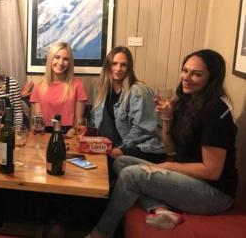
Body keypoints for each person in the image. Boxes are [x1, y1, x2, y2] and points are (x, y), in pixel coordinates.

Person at [87, 49, 238, 238]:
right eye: (185, 70)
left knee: (131, 175)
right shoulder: (187, 100)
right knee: (121, 162)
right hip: (187, 178)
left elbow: (212, 171)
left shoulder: (216, 111)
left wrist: (169, 166)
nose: (187, 77)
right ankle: (162, 209)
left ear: (212, 78)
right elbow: (170, 148)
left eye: (196, 74)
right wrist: (167, 119)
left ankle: (101, 233)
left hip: (213, 194)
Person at [91, 46, 166, 163]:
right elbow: (98, 124)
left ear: (129, 68)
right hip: (117, 146)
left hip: (143, 147)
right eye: (114, 64)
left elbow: (142, 130)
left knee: (108, 163)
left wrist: (120, 149)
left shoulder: (138, 90)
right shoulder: (101, 90)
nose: (118, 68)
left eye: (123, 65)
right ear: (107, 66)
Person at [29, 42, 88, 133]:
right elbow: (37, 124)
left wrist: (69, 135)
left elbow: (79, 123)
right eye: (57, 57)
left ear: (70, 63)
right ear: (50, 59)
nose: (60, 62)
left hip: (69, 134)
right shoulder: (39, 87)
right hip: (45, 133)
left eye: (65, 59)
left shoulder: (78, 85)